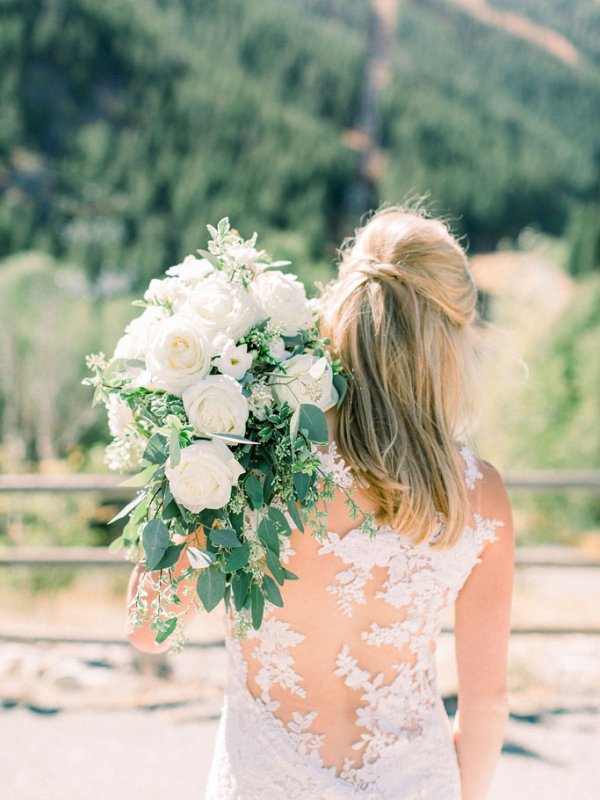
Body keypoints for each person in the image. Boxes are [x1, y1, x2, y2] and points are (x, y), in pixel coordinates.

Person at [127, 204, 514, 800]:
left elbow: (150, 630)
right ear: (451, 338)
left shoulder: (248, 456)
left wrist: (192, 452)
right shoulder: (478, 495)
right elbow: (487, 702)